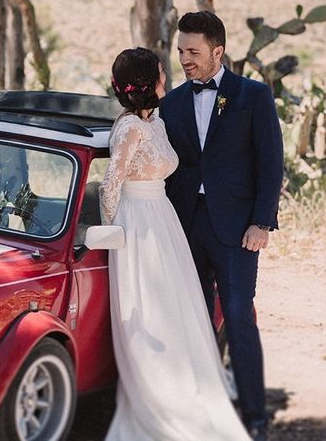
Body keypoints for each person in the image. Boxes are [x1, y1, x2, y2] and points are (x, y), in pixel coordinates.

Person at [100, 47, 250, 441]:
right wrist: (113, 232)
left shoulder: (156, 122)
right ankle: (157, 400)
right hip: (136, 224)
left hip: (162, 217)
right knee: (149, 311)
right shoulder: (129, 127)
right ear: (149, 83)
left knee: (175, 306)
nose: (169, 77)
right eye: (162, 73)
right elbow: (110, 183)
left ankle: (187, 387)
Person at [158, 11, 284, 441]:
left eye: (193, 52)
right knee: (193, 320)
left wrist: (261, 223)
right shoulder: (171, 103)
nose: (185, 60)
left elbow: (271, 164)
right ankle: (204, 411)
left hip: (236, 233)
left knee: (237, 317)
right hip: (185, 228)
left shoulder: (253, 96)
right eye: (180, 51)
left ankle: (254, 417)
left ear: (218, 51)